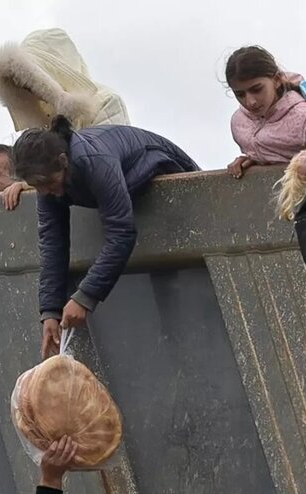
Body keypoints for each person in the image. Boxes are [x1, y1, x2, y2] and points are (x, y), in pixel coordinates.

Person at [11, 116, 199, 359]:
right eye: (37, 186)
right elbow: (52, 244)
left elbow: (122, 233)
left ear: (62, 161)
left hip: (165, 168)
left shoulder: (94, 161)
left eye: (47, 183)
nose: (45, 192)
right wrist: (50, 311)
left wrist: (85, 297)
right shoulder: (47, 182)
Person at [226, 46, 306, 179]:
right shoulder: (238, 122)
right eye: (240, 94)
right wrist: (253, 161)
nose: (250, 101)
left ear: (277, 80)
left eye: (257, 89)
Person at [0, 28, 130, 132]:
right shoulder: (40, 119)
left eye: (32, 80)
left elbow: (105, 163)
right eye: (23, 84)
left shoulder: (107, 101)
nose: (30, 89)